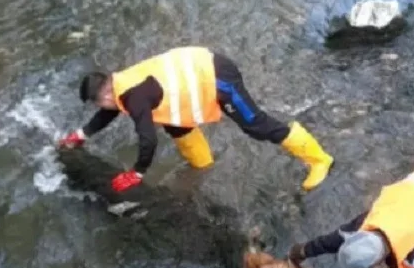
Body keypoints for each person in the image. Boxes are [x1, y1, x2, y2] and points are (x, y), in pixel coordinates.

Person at [58, 46, 333, 193]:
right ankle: (202, 165)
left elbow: (147, 139)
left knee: (256, 126)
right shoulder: (119, 85)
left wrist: (137, 173)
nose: (102, 105)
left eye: (97, 102)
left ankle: (319, 159)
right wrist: (81, 135)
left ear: (104, 94)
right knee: (176, 125)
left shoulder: (133, 95)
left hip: (216, 77)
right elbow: (108, 113)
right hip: (194, 77)